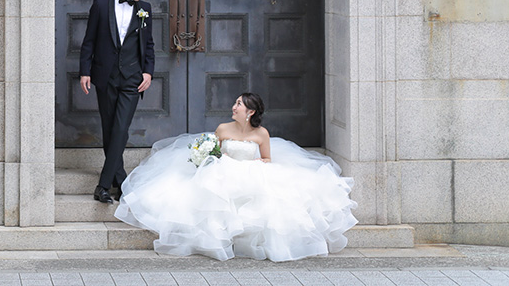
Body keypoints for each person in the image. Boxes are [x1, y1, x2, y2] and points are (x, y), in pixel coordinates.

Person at [114, 92, 358, 262]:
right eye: (235, 102)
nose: (234, 106)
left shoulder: (261, 133)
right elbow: (215, 150)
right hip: (223, 170)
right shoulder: (223, 128)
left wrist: (254, 165)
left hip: (249, 171)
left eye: (239, 104)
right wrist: (206, 156)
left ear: (250, 111)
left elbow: (267, 159)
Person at [78, 0, 155, 204]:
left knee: (121, 129)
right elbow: (89, 40)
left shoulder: (145, 9)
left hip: (133, 78)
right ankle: (120, 182)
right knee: (110, 129)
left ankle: (102, 185)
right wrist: (85, 71)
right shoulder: (100, 4)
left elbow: (149, 44)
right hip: (105, 76)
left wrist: (148, 72)